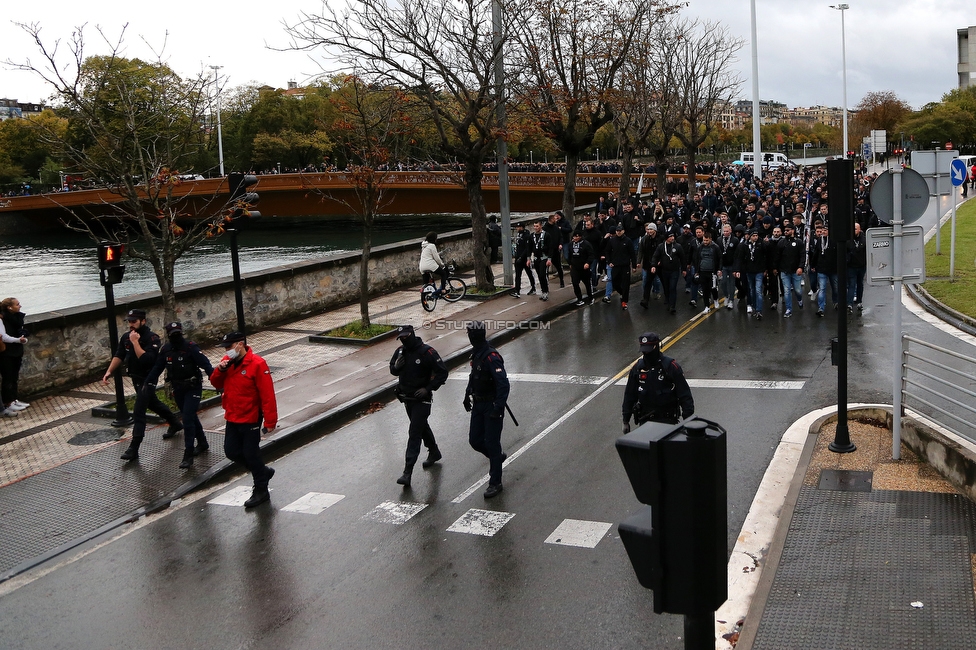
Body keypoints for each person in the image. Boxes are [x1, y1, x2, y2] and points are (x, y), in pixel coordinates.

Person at [210, 331, 278, 508]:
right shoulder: (228, 362)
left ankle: (261, 490)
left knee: (250, 453)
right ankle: (263, 472)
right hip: (232, 415)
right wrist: (220, 369)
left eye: (229, 347)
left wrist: (270, 421)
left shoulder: (257, 363)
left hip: (250, 417)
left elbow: (267, 394)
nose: (227, 350)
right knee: (231, 451)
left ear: (240, 345)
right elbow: (215, 383)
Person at [107, 309, 183, 461]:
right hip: (135, 378)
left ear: (143, 321)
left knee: (138, 411)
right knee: (153, 404)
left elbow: (147, 359)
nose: (131, 325)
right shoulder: (126, 337)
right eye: (129, 321)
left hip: (148, 378)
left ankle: (133, 448)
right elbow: (119, 355)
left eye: (134, 321)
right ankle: (175, 422)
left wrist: (135, 342)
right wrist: (109, 371)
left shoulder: (152, 338)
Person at [143, 322, 215, 468]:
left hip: (193, 387)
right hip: (178, 388)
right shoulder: (166, 350)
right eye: (173, 334)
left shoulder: (190, 347)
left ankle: (188, 454)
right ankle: (202, 442)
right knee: (190, 416)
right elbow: (157, 368)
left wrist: (216, 382)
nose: (176, 336)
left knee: (187, 419)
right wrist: (148, 383)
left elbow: (206, 365)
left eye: (178, 333)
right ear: (168, 335)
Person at [389, 325, 449, 487]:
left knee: (414, 432)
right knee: (421, 427)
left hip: (422, 400)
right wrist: (396, 367)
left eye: (406, 337)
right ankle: (434, 451)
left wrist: (427, 389)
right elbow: (392, 370)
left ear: (413, 335)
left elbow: (442, 372)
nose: (403, 340)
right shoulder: (400, 352)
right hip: (407, 398)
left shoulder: (427, 352)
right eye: (401, 338)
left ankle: (407, 472)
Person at [462, 321, 510, 499]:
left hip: (491, 405)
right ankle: (496, 457)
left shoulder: (491, 356)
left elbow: (503, 384)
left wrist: (498, 408)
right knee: (475, 441)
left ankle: (495, 482)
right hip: (478, 404)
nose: (468, 336)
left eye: (469, 334)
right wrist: (467, 394)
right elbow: (474, 376)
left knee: (491, 442)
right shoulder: (476, 355)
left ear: (475, 335)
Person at [621, 332, 694, 433]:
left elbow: (684, 394)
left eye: (649, 351)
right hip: (645, 420)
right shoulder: (637, 368)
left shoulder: (670, 367)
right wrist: (626, 419)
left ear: (657, 347)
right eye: (644, 351)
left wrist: (688, 419)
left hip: (667, 420)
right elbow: (630, 395)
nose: (646, 354)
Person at [0, 297, 29, 416]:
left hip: (16, 350)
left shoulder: (17, 318)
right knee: (8, 377)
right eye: (17, 304)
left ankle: (14, 399)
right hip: (7, 352)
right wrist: (19, 340)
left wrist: (23, 333)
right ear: (9, 307)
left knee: (14, 376)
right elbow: (4, 336)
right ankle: (8, 402)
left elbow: (19, 329)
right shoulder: (3, 319)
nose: (20, 306)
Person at [567, 230, 595, 306]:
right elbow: (569, 255)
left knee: (587, 283)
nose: (575, 238)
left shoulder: (586, 244)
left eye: (577, 236)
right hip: (575, 267)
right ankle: (579, 298)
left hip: (584, 267)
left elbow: (591, 255)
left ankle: (591, 297)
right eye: (574, 236)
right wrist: (570, 263)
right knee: (575, 283)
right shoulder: (570, 245)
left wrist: (588, 263)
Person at [510, 221, 537, 298]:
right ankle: (517, 290)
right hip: (517, 257)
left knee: (529, 273)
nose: (517, 228)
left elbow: (527, 248)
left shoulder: (527, 236)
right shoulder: (518, 234)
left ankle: (533, 287)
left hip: (524, 259)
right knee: (518, 275)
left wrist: (522, 257)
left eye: (518, 227)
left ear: (522, 227)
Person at [529, 220, 552, 301]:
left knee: (543, 275)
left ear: (541, 226)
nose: (535, 228)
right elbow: (529, 247)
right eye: (534, 226)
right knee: (539, 275)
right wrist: (529, 259)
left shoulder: (546, 235)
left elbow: (550, 248)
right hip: (536, 258)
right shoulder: (532, 236)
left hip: (544, 258)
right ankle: (543, 290)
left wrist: (549, 259)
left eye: (537, 226)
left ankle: (545, 291)